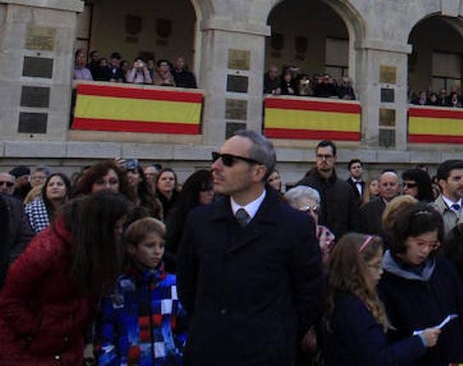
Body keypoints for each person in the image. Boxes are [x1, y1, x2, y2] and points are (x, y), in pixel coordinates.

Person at [177, 130, 324, 366]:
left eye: (228, 161)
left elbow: (310, 294)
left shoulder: (294, 226)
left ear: (258, 172)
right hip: (209, 351)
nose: (215, 167)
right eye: (216, 157)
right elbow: (187, 284)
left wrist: (279, 335)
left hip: (266, 354)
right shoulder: (199, 221)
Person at [0, 191, 133, 366]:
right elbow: (10, 300)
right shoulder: (46, 251)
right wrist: (37, 329)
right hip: (29, 347)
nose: (120, 232)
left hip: (66, 344)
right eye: (116, 227)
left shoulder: (92, 249)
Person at [377, 202, 463, 366]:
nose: (426, 251)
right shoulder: (383, 280)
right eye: (420, 243)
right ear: (402, 239)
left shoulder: (443, 268)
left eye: (432, 245)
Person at [320, 232, 431, 366]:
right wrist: (419, 342)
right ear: (357, 267)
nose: (381, 271)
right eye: (376, 265)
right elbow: (376, 359)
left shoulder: (343, 298)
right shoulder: (352, 309)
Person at [94, 217, 187, 365]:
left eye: (161, 246)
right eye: (150, 246)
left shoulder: (174, 285)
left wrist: (180, 354)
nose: (157, 251)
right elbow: (105, 337)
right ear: (131, 248)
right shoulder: (117, 290)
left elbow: (186, 328)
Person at [298, 139, 359, 239]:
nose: (323, 160)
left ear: (335, 158)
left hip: (339, 244)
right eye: (320, 156)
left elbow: (354, 223)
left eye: (327, 156)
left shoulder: (346, 189)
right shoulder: (303, 187)